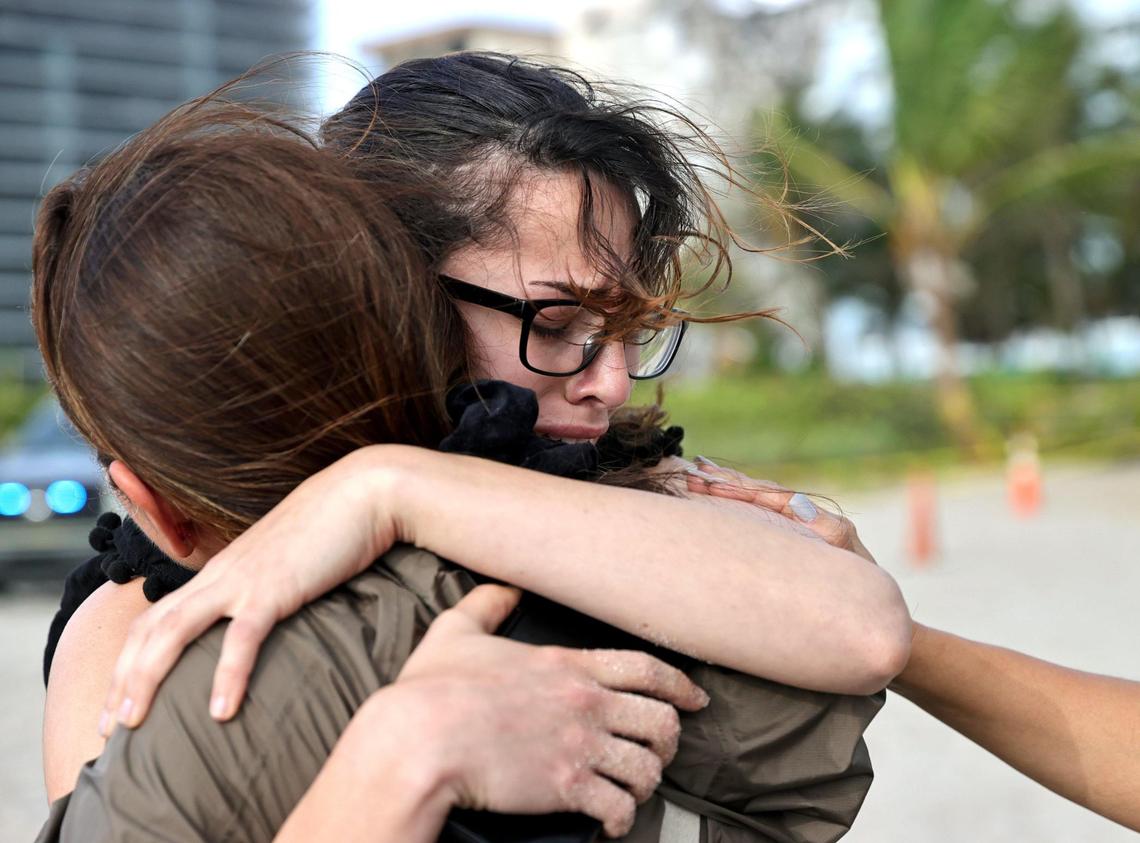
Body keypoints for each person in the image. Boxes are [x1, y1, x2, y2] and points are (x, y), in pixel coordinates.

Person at [35, 84, 906, 843]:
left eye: (630, 332)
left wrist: (391, 489)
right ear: (393, 290)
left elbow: (864, 630)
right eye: (557, 323)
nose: (610, 382)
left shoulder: (569, 489)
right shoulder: (138, 623)